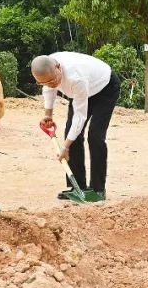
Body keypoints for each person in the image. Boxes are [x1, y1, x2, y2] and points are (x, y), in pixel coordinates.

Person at [33, 52, 121, 200]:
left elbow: (80, 116)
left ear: (58, 67)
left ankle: (98, 190)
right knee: (71, 134)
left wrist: (65, 147)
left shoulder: (76, 77)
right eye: (44, 82)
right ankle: (78, 187)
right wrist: (48, 115)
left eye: (53, 80)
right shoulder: (47, 70)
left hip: (105, 87)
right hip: (82, 90)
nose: (51, 84)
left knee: (95, 136)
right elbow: (49, 89)